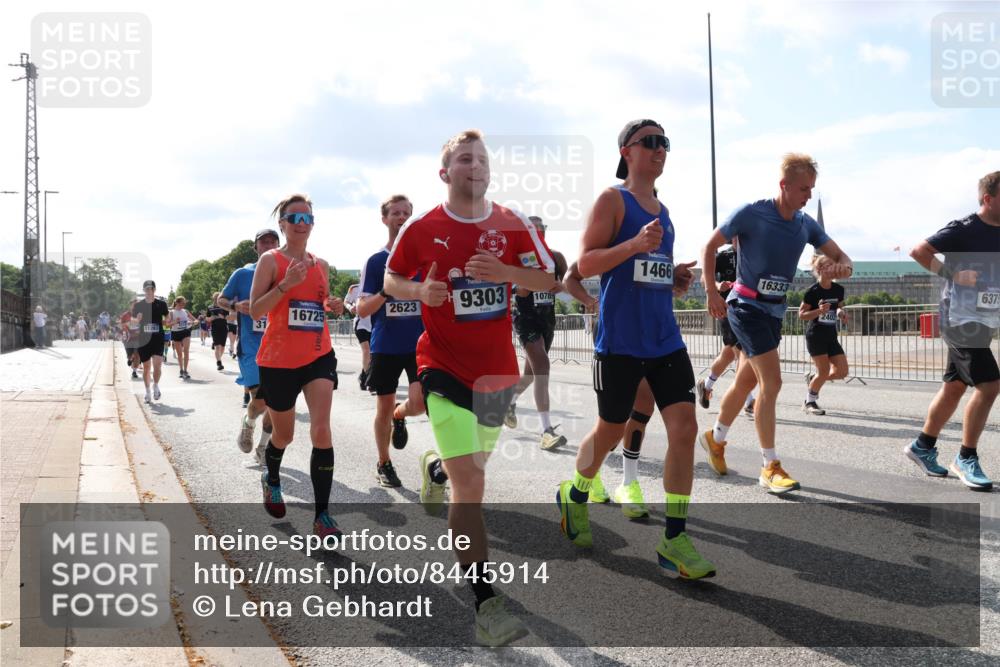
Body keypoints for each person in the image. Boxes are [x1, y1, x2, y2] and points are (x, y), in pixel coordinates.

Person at [385, 129, 555, 646]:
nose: (475, 165)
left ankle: (433, 464)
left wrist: (504, 270)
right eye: (464, 158)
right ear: (446, 173)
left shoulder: (512, 223)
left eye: (482, 158)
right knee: (473, 488)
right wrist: (421, 290)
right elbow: (392, 280)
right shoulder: (423, 226)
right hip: (440, 366)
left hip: (496, 373)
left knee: (469, 469)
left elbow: (546, 280)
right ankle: (485, 604)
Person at [555, 119, 713, 581]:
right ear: (627, 150)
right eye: (651, 142)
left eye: (665, 143)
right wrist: (633, 244)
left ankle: (675, 540)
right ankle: (577, 492)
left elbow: (651, 275)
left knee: (684, 428)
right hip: (620, 343)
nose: (660, 149)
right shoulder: (612, 200)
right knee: (610, 430)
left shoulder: (665, 213)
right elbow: (584, 264)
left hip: (664, 340)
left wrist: (676, 280)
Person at [700, 153, 853, 494]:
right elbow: (710, 246)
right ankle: (769, 465)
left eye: (812, 189)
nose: (808, 196)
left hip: (773, 312)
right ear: (783, 185)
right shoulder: (751, 213)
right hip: (744, 306)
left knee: (744, 382)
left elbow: (843, 257)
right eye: (803, 189)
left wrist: (844, 266)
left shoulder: (804, 224)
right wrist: (711, 291)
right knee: (772, 382)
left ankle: (715, 438)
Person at [250, 194, 345, 539]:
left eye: (307, 218)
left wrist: (331, 304)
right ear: (283, 224)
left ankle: (323, 517)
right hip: (278, 361)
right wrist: (285, 286)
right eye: (294, 218)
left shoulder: (320, 265)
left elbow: (318, 303)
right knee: (285, 434)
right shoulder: (270, 261)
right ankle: (271, 477)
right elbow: (257, 310)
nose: (301, 224)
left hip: (319, 355)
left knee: (321, 430)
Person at [904, 170, 999, 491]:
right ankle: (966, 456)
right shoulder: (964, 228)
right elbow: (919, 251)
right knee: (990, 385)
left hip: (985, 320)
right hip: (958, 318)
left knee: (955, 386)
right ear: (988, 198)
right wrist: (953, 274)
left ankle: (923, 446)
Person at [356, 194, 425, 488]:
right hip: (385, 345)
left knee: (420, 404)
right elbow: (361, 309)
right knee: (382, 407)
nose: (402, 217)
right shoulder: (376, 261)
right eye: (396, 213)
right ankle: (384, 462)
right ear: (384, 219)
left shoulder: (426, 259)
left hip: (421, 344)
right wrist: (386, 292)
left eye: (407, 212)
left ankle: (402, 413)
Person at [504, 216, 570, 450]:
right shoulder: (518, 260)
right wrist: (537, 281)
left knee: (531, 375)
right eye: (533, 231)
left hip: (546, 321)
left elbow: (569, 282)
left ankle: (509, 402)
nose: (538, 235)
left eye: (541, 230)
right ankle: (546, 431)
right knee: (542, 367)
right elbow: (520, 292)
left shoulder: (556, 257)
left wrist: (562, 285)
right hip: (526, 319)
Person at [220, 228, 280, 461]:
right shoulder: (242, 274)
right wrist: (235, 307)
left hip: (281, 348)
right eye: (263, 242)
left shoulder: (287, 273)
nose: (268, 245)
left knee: (277, 405)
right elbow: (221, 299)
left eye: (272, 241)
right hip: (251, 347)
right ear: (256, 247)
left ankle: (263, 448)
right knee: (262, 400)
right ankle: (249, 421)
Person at [696, 244, 758, 418]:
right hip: (728, 309)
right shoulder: (724, 256)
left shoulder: (754, 252)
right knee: (742, 354)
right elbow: (703, 277)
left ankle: (706, 385)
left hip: (749, 309)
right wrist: (716, 285)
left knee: (728, 355)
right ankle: (749, 402)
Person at [800, 253, 850, 415]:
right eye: (829, 265)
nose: (834, 268)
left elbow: (840, 307)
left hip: (831, 335)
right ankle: (810, 402)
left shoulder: (838, 289)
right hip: (816, 335)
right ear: (820, 269)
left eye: (833, 264)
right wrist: (819, 310)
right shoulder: (812, 291)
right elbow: (802, 314)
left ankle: (814, 380)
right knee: (823, 371)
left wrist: (842, 313)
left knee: (842, 372)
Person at [131, 280, 169, 403]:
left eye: (151, 288)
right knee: (147, 367)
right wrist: (137, 319)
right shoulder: (138, 305)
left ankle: (156, 385)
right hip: (144, 339)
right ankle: (147, 391)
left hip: (158, 338)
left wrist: (168, 320)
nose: (149, 291)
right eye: (146, 289)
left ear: (154, 290)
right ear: (144, 290)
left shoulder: (162, 304)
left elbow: (167, 317)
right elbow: (133, 321)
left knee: (158, 365)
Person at [344, 283, 373, 391]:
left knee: (372, 355)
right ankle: (370, 381)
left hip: (374, 325)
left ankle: (363, 376)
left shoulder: (377, 286)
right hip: (361, 324)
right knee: (366, 350)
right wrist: (350, 307)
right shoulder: (354, 288)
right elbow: (346, 301)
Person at [166, 297, 194, 379]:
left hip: (185, 332)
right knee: (179, 353)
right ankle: (181, 370)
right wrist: (175, 322)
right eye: (182, 303)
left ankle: (185, 370)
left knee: (186, 351)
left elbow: (195, 320)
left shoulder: (186, 311)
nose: (184, 305)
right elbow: (167, 324)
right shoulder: (171, 312)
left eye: (184, 303)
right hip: (176, 333)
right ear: (177, 303)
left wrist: (193, 322)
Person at [207, 295, 229, 371]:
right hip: (214, 328)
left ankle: (219, 358)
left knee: (222, 347)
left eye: (219, 298)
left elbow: (229, 316)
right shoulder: (210, 307)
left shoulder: (224, 307)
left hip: (224, 328)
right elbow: (207, 318)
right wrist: (211, 318)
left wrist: (223, 317)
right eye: (216, 298)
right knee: (217, 346)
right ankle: (219, 362)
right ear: (213, 298)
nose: (217, 299)